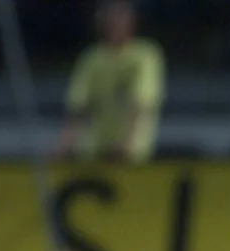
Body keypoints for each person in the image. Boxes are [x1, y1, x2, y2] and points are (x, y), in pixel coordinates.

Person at [56, 0, 165, 164]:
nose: (114, 22)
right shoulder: (91, 59)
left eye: (120, 15)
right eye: (110, 16)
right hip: (94, 154)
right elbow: (77, 109)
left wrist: (126, 143)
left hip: (133, 158)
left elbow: (141, 103)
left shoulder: (145, 56)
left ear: (132, 20)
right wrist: (64, 147)